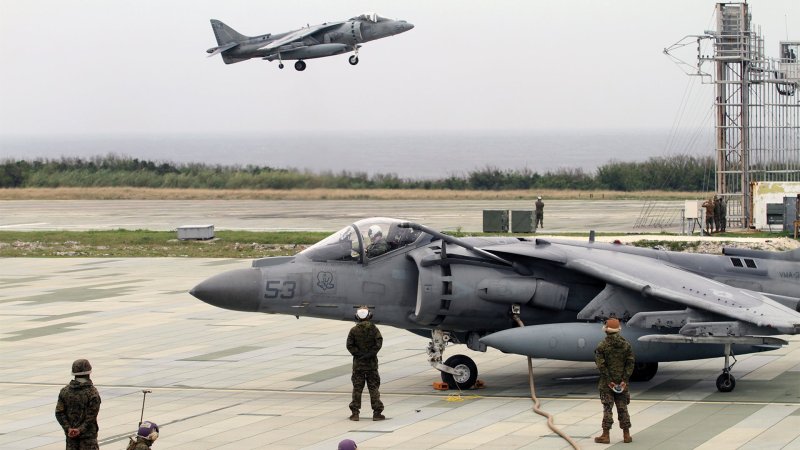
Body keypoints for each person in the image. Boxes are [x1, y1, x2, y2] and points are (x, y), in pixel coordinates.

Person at [594, 318, 635, 444]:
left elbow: (601, 365)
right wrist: (624, 380)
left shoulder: (602, 346)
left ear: (606, 330)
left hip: (607, 384)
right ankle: (626, 435)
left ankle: (606, 435)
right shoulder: (626, 345)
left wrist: (608, 380)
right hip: (622, 383)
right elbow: (630, 363)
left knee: (607, 408)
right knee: (623, 408)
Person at [346, 306, 385, 421]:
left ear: (357, 317)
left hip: (358, 365)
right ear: (369, 316)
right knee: (373, 388)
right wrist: (370, 354)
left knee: (357, 388)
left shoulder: (353, 330)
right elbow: (378, 343)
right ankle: (377, 413)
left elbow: (349, 345)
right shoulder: (374, 329)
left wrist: (359, 354)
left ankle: (355, 413)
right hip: (372, 365)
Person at [55, 359, 102, 450]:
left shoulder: (64, 391)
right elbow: (91, 417)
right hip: (88, 439)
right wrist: (80, 430)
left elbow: (59, 413)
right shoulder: (92, 393)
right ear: (89, 373)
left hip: (71, 439)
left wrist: (68, 428)